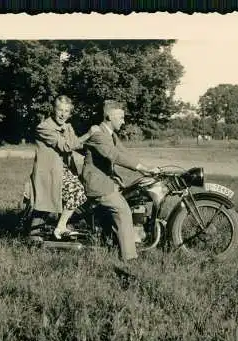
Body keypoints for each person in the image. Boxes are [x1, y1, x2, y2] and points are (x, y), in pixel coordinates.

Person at [81, 100, 159, 261]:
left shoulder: (111, 135)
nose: (123, 121)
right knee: (122, 209)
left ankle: (123, 240)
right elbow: (115, 156)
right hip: (97, 184)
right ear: (109, 116)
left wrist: (148, 167)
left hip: (106, 181)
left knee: (133, 199)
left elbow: (124, 152)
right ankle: (129, 258)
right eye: (121, 117)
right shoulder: (99, 134)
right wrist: (142, 168)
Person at [26, 95, 100, 241]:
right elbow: (66, 146)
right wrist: (88, 134)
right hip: (50, 173)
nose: (63, 114)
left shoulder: (67, 127)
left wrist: (97, 149)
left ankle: (65, 227)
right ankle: (60, 227)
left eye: (66, 111)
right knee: (76, 192)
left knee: (78, 194)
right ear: (53, 109)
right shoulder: (45, 127)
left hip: (64, 171)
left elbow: (76, 145)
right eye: (60, 110)